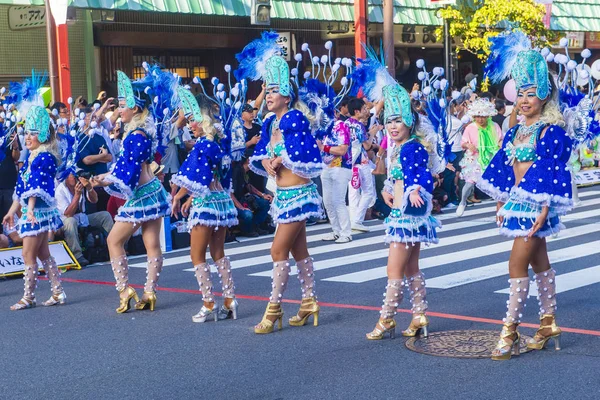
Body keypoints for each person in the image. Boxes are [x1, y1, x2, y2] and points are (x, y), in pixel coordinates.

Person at [478, 31, 573, 360]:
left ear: (544, 96)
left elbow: (553, 171)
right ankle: (548, 324)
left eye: (532, 94)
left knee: (515, 264)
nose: (525, 100)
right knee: (539, 261)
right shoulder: (516, 130)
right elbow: (505, 167)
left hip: (536, 207)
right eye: (521, 94)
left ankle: (510, 331)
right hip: (518, 204)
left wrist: (544, 208)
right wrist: (501, 201)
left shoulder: (551, 131)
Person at [237, 32, 325, 334]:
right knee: (299, 250)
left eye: (275, 90)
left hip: (298, 193)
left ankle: (274, 309)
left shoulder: (294, 118)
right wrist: (266, 160)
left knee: (277, 251)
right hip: (285, 194)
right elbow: (260, 153)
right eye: (267, 89)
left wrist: (280, 158)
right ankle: (309, 301)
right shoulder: (272, 123)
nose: (269, 94)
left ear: (287, 95)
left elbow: (302, 151)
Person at [352, 55, 444, 340]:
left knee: (394, 268)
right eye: (388, 121)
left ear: (409, 120)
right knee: (411, 266)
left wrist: (415, 189)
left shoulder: (411, 147)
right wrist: (387, 188)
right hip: (405, 211)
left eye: (398, 121)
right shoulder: (400, 147)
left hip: (407, 213)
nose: (392, 126)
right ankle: (419, 315)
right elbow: (400, 176)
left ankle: (387, 319)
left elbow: (422, 174)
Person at [91, 68, 172, 313]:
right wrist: (104, 177)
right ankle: (149, 292)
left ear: (135, 109)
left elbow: (128, 171)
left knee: (113, 240)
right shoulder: (141, 131)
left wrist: (104, 180)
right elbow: (128, 167)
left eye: (123, 105)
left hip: (141, 195)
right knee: (151, 244)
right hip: (152, 191)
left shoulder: (135, 135)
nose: (119, 110)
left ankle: (124, 289)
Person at [171, 85, 240, 323]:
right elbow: (216, 176)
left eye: (193, 120)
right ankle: (230, 300)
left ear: (203, 120)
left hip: (206, 204)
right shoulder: (220, 140)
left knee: (196, 254)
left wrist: (180, 195)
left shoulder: (203, 144)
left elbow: (197, 177)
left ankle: (209, 303)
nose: (190, 125)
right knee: (218, 252)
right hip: (221, 202)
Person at [3, 103, 65, 310]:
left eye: (33, 133)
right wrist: (11, 212)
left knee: (27, 254)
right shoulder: (31, 158)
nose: (27, 137)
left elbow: (37, 187)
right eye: (26, 133)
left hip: (36, 213)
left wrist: (28, 210)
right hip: (34, 212)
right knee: (42, 254)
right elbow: (21, 188)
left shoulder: (44, 157)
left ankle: (29, 297)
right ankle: (58, 292)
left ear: (44, 135)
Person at [56, 171, 114, 267]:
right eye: (73, 176)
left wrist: (89, 188)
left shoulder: (81, 185)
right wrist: (77, 195)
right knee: (71, 221)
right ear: (66, 177)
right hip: (65, 221)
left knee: (105, 216)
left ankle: (115, 247)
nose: (76, 178)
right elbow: (68, 214)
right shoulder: (60, 190)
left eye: (77, 176)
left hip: (82, 218)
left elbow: (94, 200)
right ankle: (78, 255)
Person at [456, 98, 503, 217]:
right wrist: (468, 145)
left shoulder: (494, 126)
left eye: (483, 116)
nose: (480, 119)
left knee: (497, 181)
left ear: (488, 115)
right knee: (470, 182)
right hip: (475, 158)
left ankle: (501, 205)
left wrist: (500, 144)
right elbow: (463, 142)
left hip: (491, 156)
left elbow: (500, 139)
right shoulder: (470, 127)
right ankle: (462, 202)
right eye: (477, 116)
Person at [346, 97, 377, 233]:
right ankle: (357, 220)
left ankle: (353, 221)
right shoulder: (359, 126)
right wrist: (373, 134)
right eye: (364, 109)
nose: (367, 110)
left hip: (348, 162)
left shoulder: (345, 123)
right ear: (357, 111)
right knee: (368, 192)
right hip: (361, 162)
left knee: (353, 193)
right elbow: (367, 145)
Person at [231, 149, 272, 237]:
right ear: (249, 159)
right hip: (234, 203)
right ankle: (246, 230)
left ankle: (255, 226)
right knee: (247, 214)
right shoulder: (236, 171)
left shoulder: (245, 171)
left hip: (244, 200)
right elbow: (230, 194)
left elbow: (248, 186)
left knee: (265, 203)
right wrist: (241, 207)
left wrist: (263, 195)